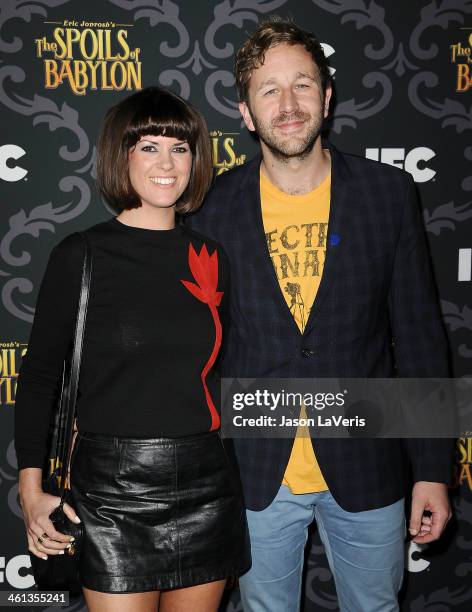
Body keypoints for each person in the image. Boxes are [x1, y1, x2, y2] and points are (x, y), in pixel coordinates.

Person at [186, 17, 453, 612]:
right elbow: (197, 352)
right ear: (247, 113)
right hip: (255, 470)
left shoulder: (388, 193)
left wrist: (433, 468)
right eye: (269, 89)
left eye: (302, 84)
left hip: (367, 464)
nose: (288, 104)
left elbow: (419, 339)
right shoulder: (209, 210)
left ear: (327, 98)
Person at [14, 86, 250, 612]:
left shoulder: (212, 256)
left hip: (207, 484)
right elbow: (37, 381)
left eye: (180, 147)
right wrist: (31, 493)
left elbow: (224, 373)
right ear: (120, 155)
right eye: (148, 146)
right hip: (112, 492)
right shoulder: (81, 255)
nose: (167, 162)